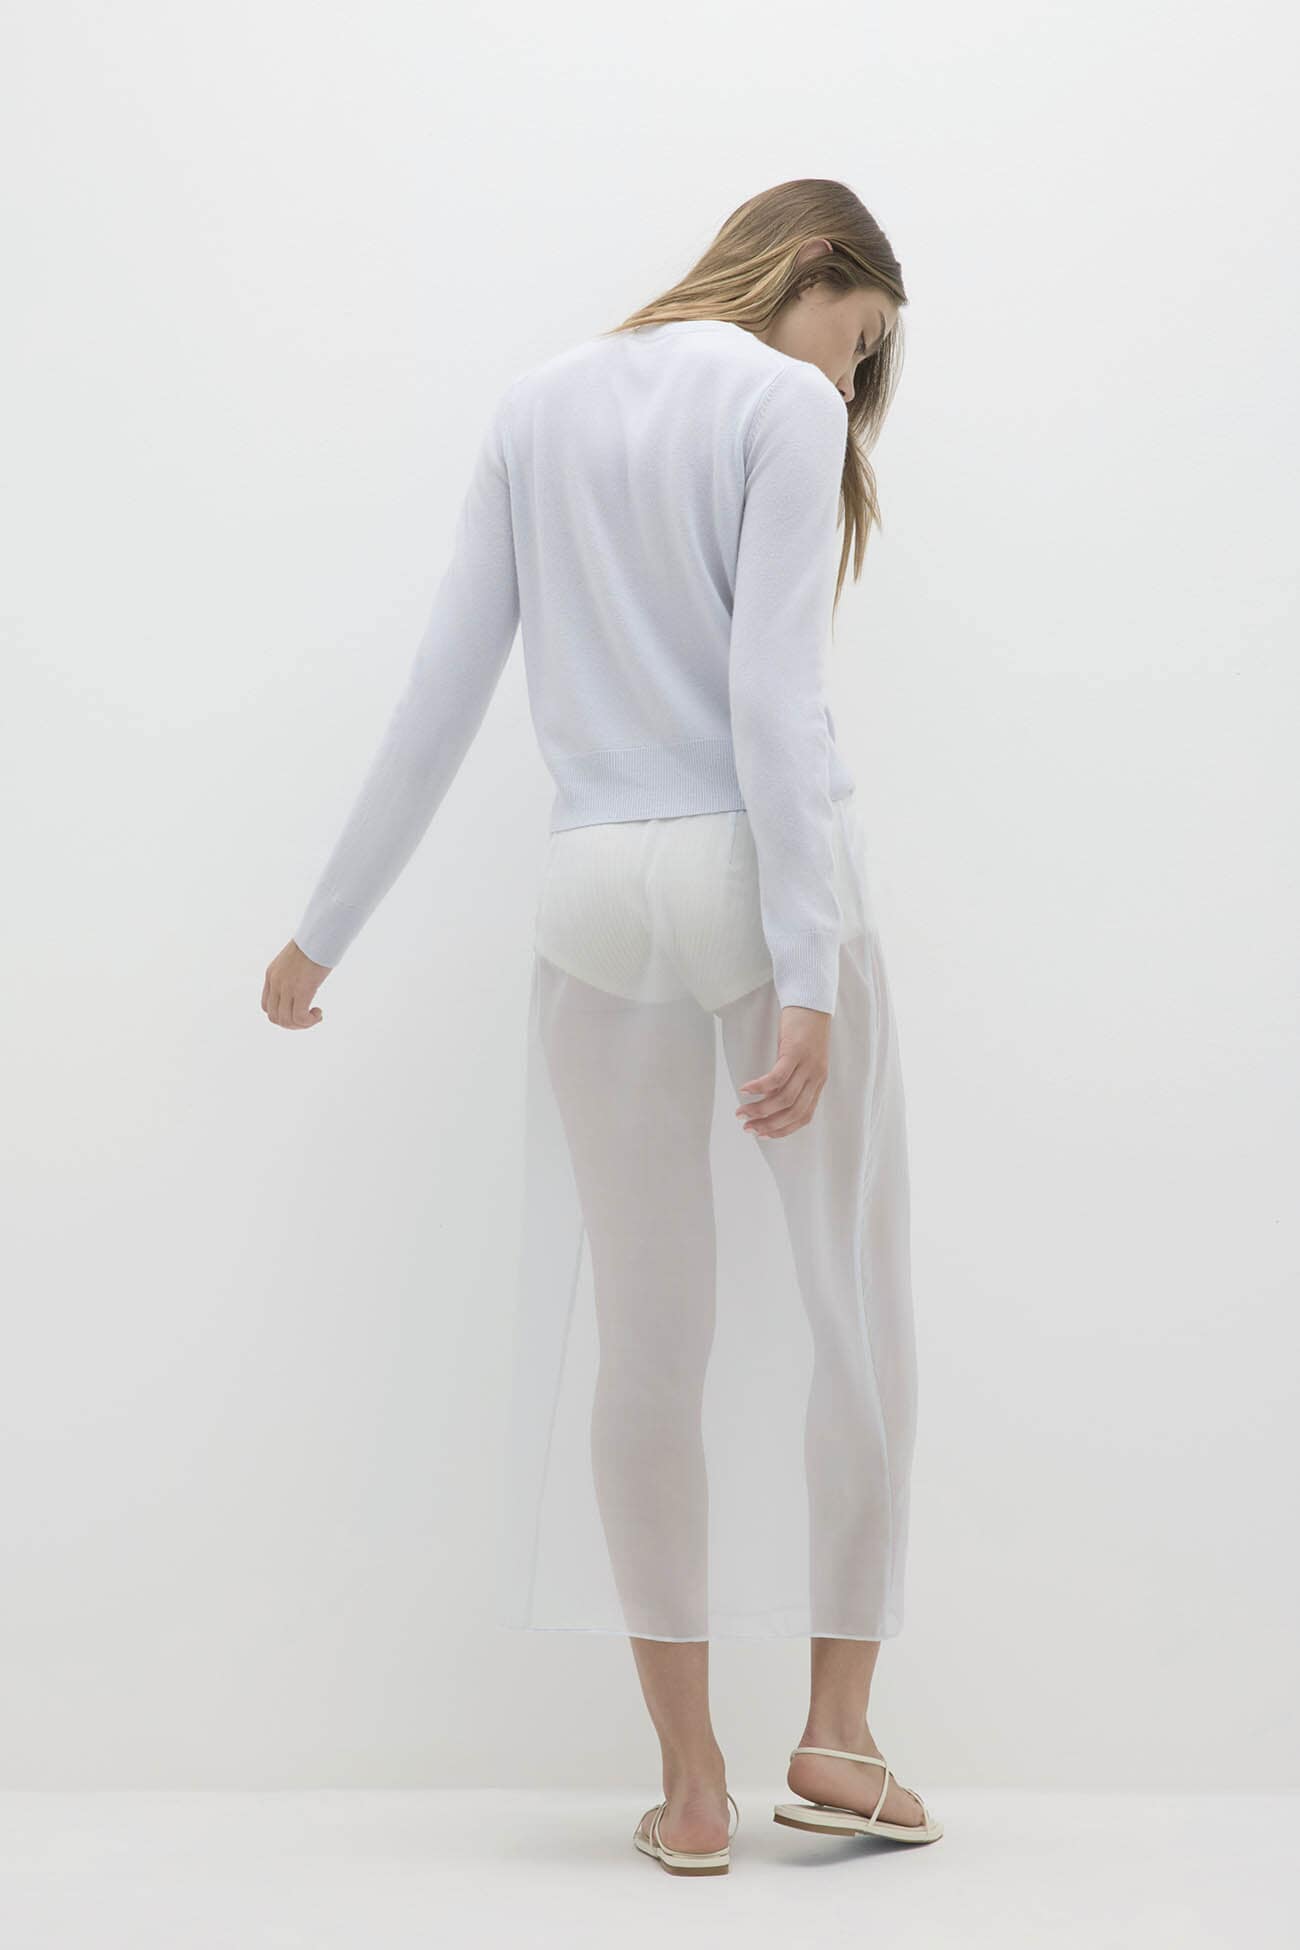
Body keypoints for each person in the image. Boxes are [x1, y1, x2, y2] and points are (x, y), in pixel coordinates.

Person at [262, 176, 940, 1873]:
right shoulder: (777, 405)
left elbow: (441, 690)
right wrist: (805, 966)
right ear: (811, 264)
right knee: (855, 1300)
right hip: (756, 876)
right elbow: (774, 699)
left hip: (593, 893)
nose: (850, 380)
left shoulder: (536, 403)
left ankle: (692, 1786)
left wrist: (321, 929)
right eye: (860, 341)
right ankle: (839, 1732)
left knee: (647, 1339)